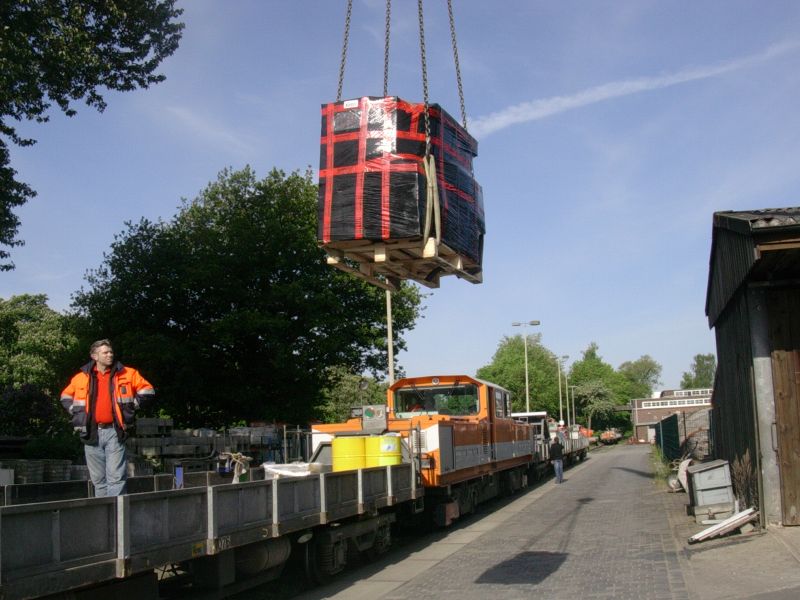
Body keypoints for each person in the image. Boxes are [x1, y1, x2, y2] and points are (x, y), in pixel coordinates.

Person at [60, 339, 155, 496]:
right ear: (94, 356)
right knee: (98, 480)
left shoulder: (127, 373)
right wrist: (76, 412)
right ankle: (103, 515)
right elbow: (65, 396)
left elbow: (148, 391)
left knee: (116, 478)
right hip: (91, 432)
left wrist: (131, 407)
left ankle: (116, 517)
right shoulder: (81, 377)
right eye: (105, 352)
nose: (110, 355)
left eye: (111, 352)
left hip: (114, 431)